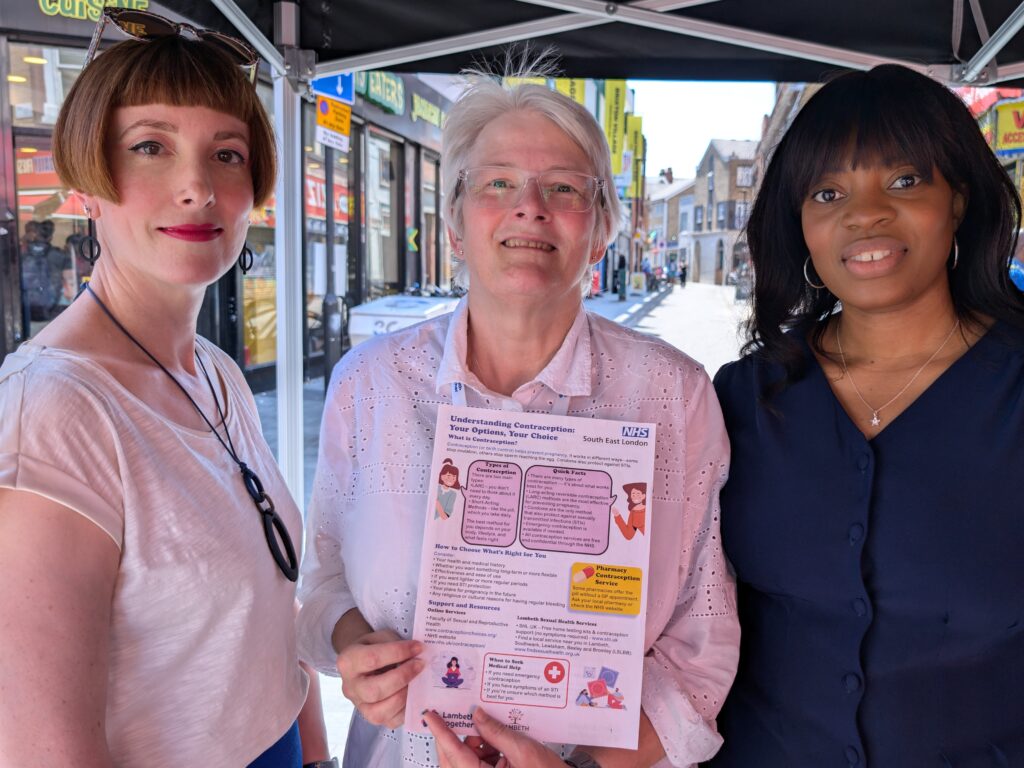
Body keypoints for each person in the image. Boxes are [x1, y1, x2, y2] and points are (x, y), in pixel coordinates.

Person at [297, 70, 739, 768]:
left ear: (600, 234)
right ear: (454, 225)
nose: (529, 206)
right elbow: (320, 582)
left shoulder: (672, 397)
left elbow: (701, 651)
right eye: (496, 182)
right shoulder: (370, 386)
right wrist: (355, 649)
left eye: (564, 188)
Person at [0, 12, 331, 767]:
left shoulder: (214, 373)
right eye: (151, 147)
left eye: (227, 154)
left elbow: (270, 620)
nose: (196, 187)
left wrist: (316, 758)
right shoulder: (53, 413)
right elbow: (45, 750)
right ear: (86, 180)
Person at [710, 64, 1024, 767]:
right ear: (802, 226)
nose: (866, 212)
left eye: (905, 181)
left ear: (960, 202)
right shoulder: (745, 401)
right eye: (829, 192)